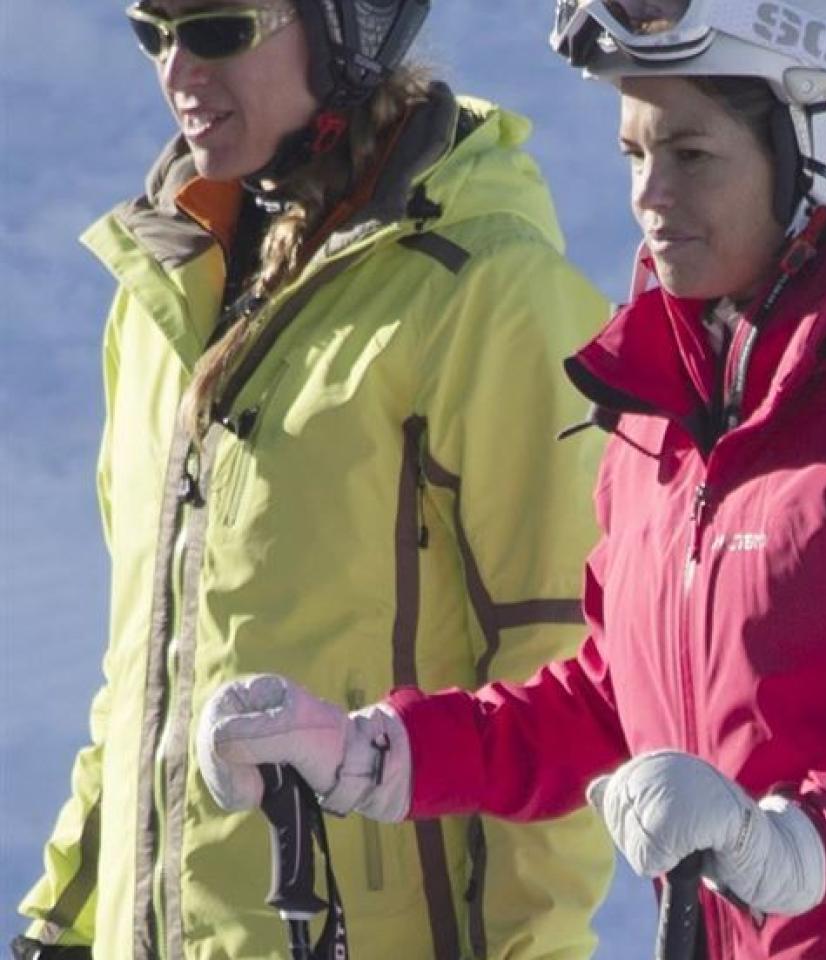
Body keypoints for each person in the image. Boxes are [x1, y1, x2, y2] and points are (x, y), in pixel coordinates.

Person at [197, 0, 826, 957]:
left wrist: (805, 844)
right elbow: (617, 696)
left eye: (691, 155)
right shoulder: (663, 407)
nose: (650, 196)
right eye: (634, 154)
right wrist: (379, 754)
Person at [13, 2, 617, 958]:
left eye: (216, 27)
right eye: (152, 32)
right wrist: (69, 919)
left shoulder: (485, 295)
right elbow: (147, 663)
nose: (178, 70)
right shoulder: (167, 301)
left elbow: (556, 681)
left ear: (350, 28)